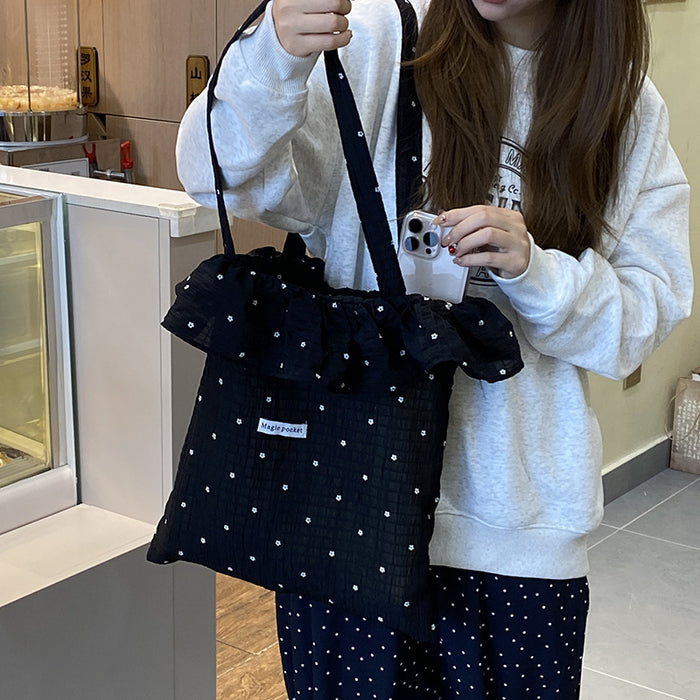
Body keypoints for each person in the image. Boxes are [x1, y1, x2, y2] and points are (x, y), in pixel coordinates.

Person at [176, 0, 693, 697]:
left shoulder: (621, 101)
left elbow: (644, 316)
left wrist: (536, 273)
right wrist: (271, 59)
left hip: (520, 534)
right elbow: (213, 174)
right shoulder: (381, 41)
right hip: (349, 509)